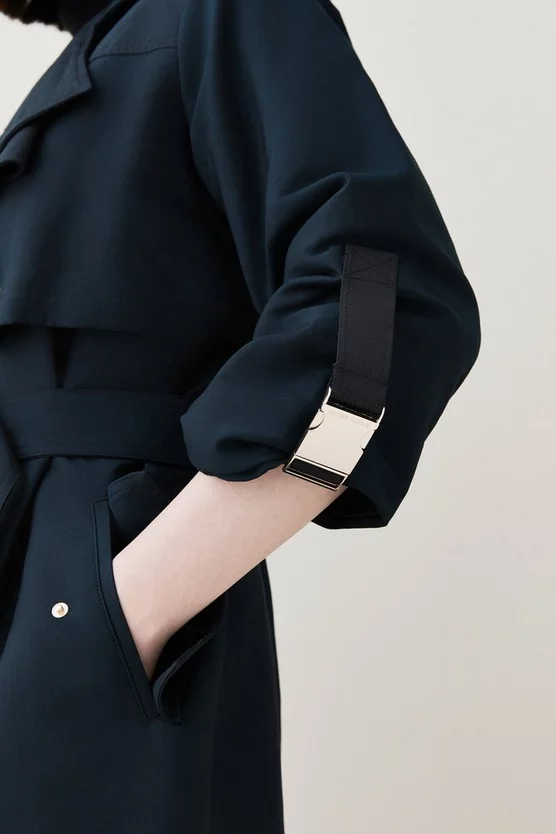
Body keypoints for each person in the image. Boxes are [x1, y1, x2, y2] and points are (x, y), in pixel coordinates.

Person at [0, 0, 481, 831]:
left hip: (94, 620)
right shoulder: (106, 50)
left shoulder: (224, 10)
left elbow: (385, 305)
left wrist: (123, 614)